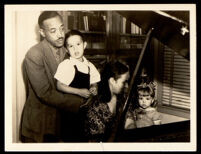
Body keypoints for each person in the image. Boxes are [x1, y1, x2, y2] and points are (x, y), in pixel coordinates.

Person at [20, 11, 86, 143]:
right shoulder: (34, 54)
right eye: (53, 31)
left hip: (61, 123)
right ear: (43, 33)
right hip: (39, 124)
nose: (60, 34)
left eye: (62, 28)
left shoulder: (66, 49)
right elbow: (45, 93)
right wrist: (79, 101)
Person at [54, 30, 101, 141]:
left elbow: (94, 81)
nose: (75, 49)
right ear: (66, 49)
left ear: (84, 45)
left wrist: (94, 88)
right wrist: (78, 91)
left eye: (78, 44)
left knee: (83, 138)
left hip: (84, 112)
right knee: (70, 139)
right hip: (69, 112)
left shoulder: (89, 65)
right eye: (71, 46)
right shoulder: (67, 64)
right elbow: (59, 85)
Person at [83, 60, 130, 142]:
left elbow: (129, 120)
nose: (127, 85)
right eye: (124, 82)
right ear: (112, 81)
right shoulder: (95, 108)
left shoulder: (122, 98)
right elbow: (97, 142)